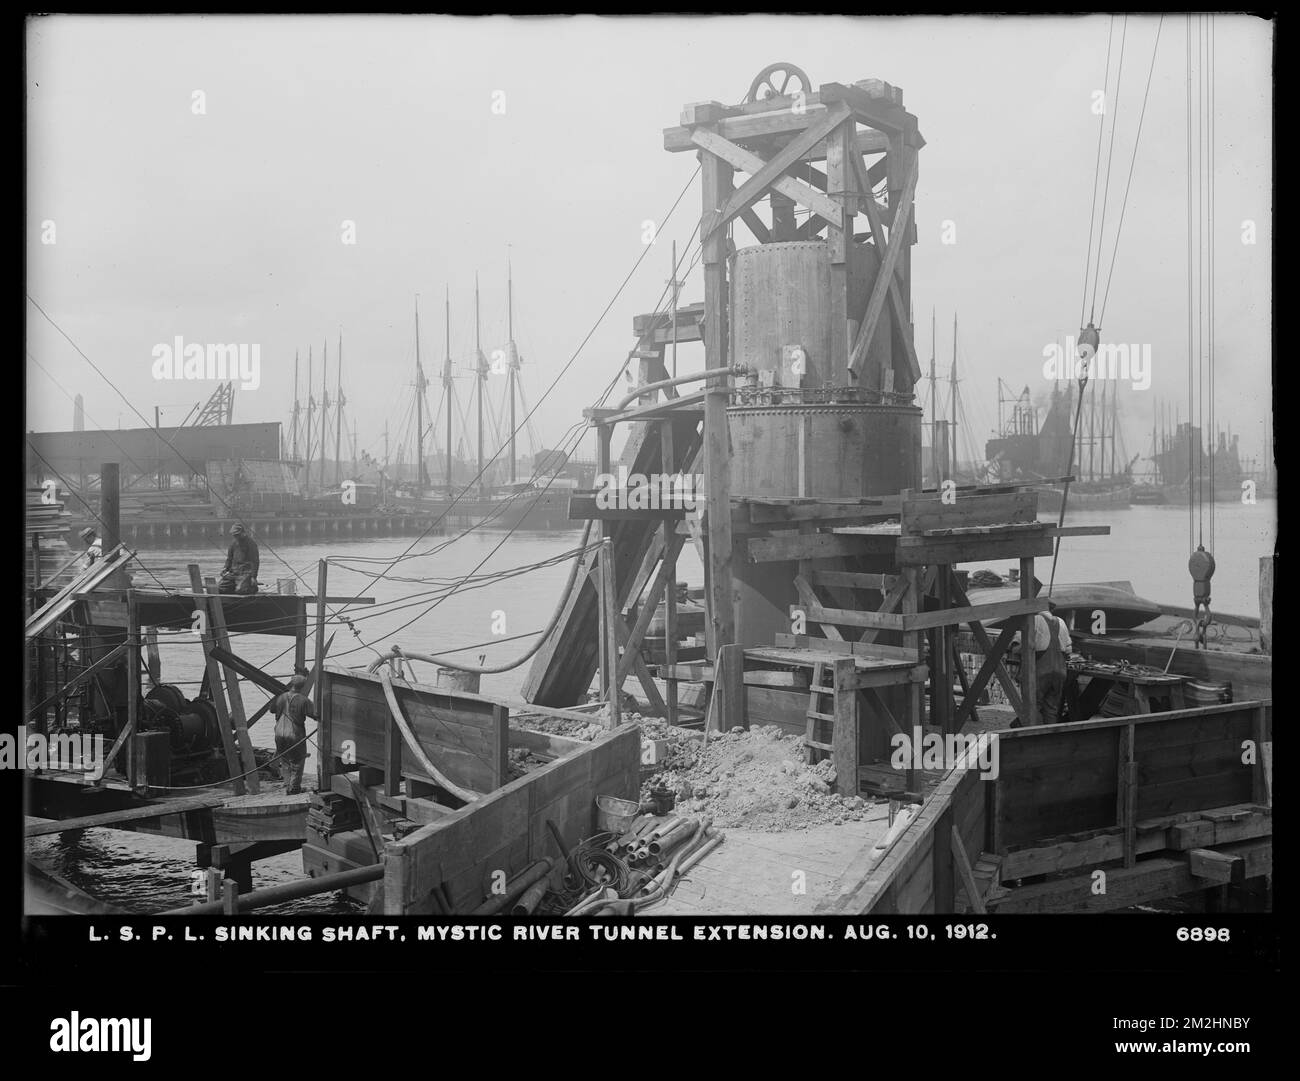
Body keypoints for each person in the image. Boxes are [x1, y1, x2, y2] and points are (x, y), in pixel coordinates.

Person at [1009, 605, 1072, 726]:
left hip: (1040, 672)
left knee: (1033, 707)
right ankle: (1049, 739)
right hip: (1060, 672)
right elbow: (1069, 650)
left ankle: (1034, 737)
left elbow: (1017, 647)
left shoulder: (1034, 620)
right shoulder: (1062, 622)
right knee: (1051, 709)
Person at [271, 674, 317, 795]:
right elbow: (315, 715)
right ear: (302, 687)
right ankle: (294, 788)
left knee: (285, 759)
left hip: (279, 733)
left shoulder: (281, 697)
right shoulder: (303, 700)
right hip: (295, 734)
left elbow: (272, 709)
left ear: (291, 684)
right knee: (298, 761)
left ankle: (287, 784)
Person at [221, 524, 260, 594]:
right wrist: (225, 568)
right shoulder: (233, 544)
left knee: (240, 590)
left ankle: (252, 588)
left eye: (237, 534)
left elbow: (255, 561)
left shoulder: (251, 543)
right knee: (219, 588)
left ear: (243, 533)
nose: (236, 536)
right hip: (233, 573)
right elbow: (229, 559)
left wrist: (253, 577)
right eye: (234, 535)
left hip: (246, 573)